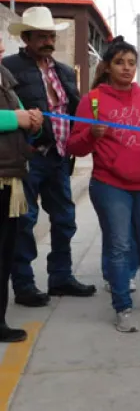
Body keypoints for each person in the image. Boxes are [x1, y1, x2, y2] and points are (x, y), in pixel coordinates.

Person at [67, 37, 140, 332]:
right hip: (110, 186)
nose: (127, 68)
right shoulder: (92, 101)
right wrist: (91, 135)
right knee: (119, 246)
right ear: (107, 66)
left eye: (132, 63)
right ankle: (122, 306)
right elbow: (74, 146)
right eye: (120, 62)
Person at [4, 7, 96, 307]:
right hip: (29, 158)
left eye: (51, 36)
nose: (48, 41)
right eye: (42, 36)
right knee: (25, 222)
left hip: (58, 156)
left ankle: (60, 277)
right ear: (27, 38)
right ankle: (24, 285)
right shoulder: (10, 68)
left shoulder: (64, 71)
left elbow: (75, 112)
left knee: (65, 218)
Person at [0, 65, 42, 342]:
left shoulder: (6, 77)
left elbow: (24, 121)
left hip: (10, 177)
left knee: (4, 254)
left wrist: (34, 124)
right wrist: (16, 118)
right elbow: (17, 118)